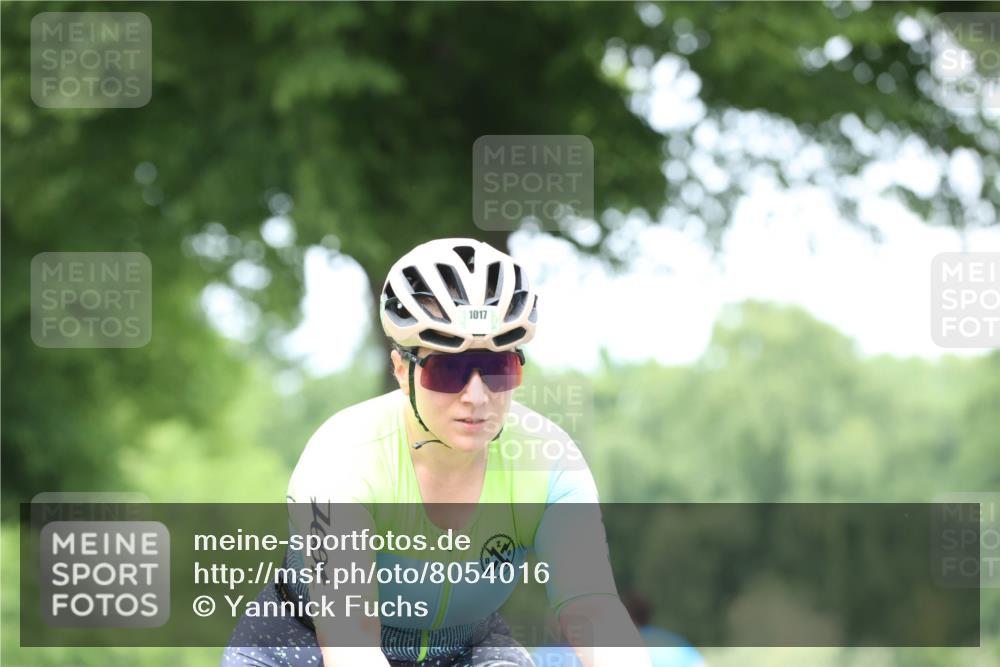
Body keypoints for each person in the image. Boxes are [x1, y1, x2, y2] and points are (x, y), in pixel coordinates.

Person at [222, 238, 649, 667]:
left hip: (466, 648)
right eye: (450, 370)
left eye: (500, 369)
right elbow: (350, 641)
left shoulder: (550, 459)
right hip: (303, 645)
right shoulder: (343, 458)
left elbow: (592, 611)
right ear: (401, 368)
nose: (477, 396)